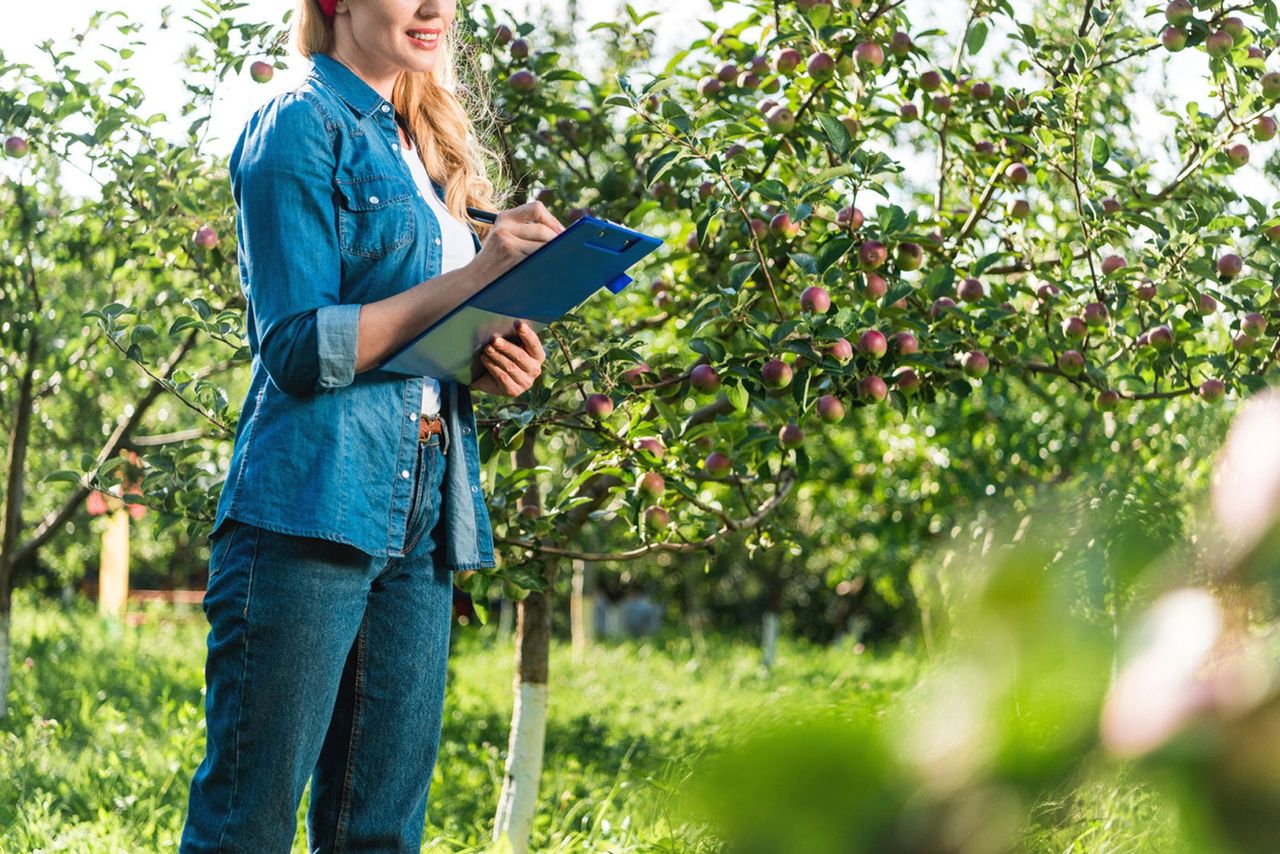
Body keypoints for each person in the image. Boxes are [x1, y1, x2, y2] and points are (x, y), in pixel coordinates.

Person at [179, 1, 564, 850]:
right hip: (311, 501)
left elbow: (413, 340)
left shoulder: (422, 144)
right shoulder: (298, 125)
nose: (434, 8)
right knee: (248, 821)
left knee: (380, 831)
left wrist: (488, 356)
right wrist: (475, 281)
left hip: (424, 505)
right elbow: (298, 346)